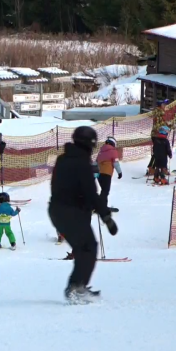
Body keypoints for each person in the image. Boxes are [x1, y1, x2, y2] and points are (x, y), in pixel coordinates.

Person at [49, 126, 117, 303]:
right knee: (88, 248)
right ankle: (76, 288)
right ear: (90, 144)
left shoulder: (63, 159)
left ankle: (77, 286)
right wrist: (106, 217)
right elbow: (91, 193)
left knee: (83, 249)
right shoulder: (81, 162)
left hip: (57, 210)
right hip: (70, 212)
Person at [147, 99, 172, 177]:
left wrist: (170, 126)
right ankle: (152, 168)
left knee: (162, 152)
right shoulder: (158, 113)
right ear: (160, 105)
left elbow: (163, 123)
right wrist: (164, 128)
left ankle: (162, 168)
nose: (165, 106)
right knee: (158, 152)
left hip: (161, 135)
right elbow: (157, 125)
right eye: (164, 105)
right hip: (156, 135)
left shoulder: (162, 113)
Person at [95, 136, 122, 210]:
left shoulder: (101, 151)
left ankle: (102, 206)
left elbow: (96, 162)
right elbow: (115, 163)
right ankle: (101, 207)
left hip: (99, 174)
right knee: (105, 191)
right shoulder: (113, 151)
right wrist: (119, 172)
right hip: (106, 174)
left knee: (104, 190)